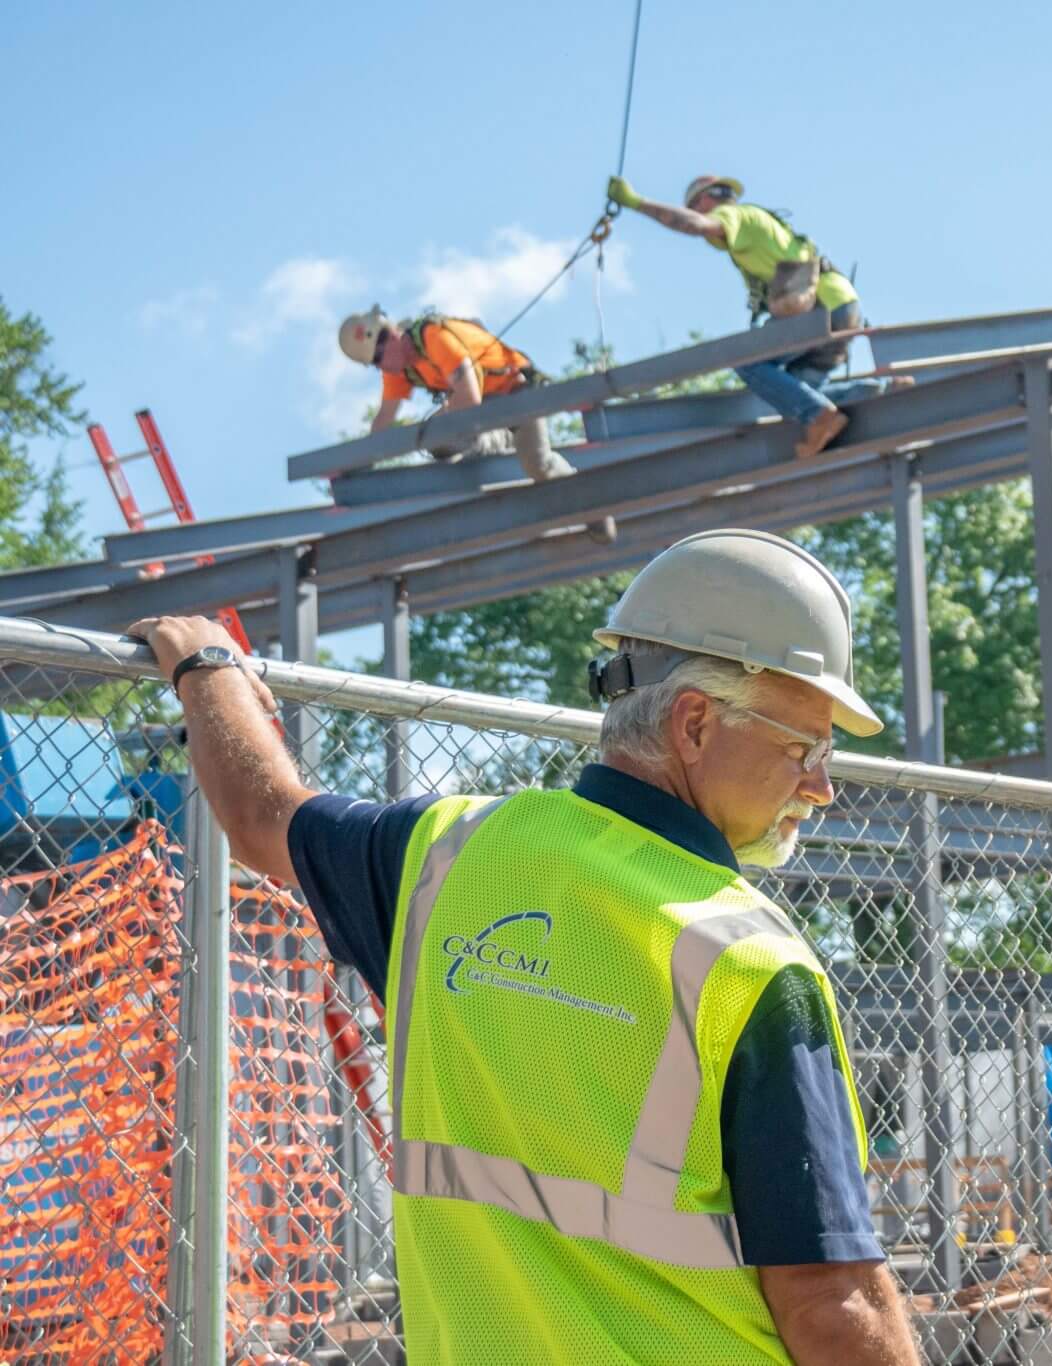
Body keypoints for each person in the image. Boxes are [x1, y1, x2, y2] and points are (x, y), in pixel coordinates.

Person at [125, 528, 920, 1366]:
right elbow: (833, 1306)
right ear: (693, 724)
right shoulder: (751, 963)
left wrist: (206, 668)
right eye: (805, 747)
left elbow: (261, 816)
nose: (821, 785)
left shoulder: (443, 855)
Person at [604, 173, 904, 460]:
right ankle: (884, 391)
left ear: (705, 202)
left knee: (747, 361)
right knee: (796, 392)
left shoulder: (736, 216)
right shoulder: (761, 227)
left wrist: (635, 202)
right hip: (842, 308)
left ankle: (820, 417)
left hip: (818, 309)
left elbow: (696, 226)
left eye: (695, 206)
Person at [337, 307, 575, 481]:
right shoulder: (399, 370)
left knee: (539, 465)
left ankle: (588, 501)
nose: (382, 366)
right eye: (375, 363)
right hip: (486, 408)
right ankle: (497, 440)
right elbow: (383, 421)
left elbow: (469, 398)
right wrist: (360, 465)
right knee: (440, 442)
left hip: (516, 393)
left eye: (379, 358)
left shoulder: (435, 338)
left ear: (389, 337)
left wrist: (434, 427)